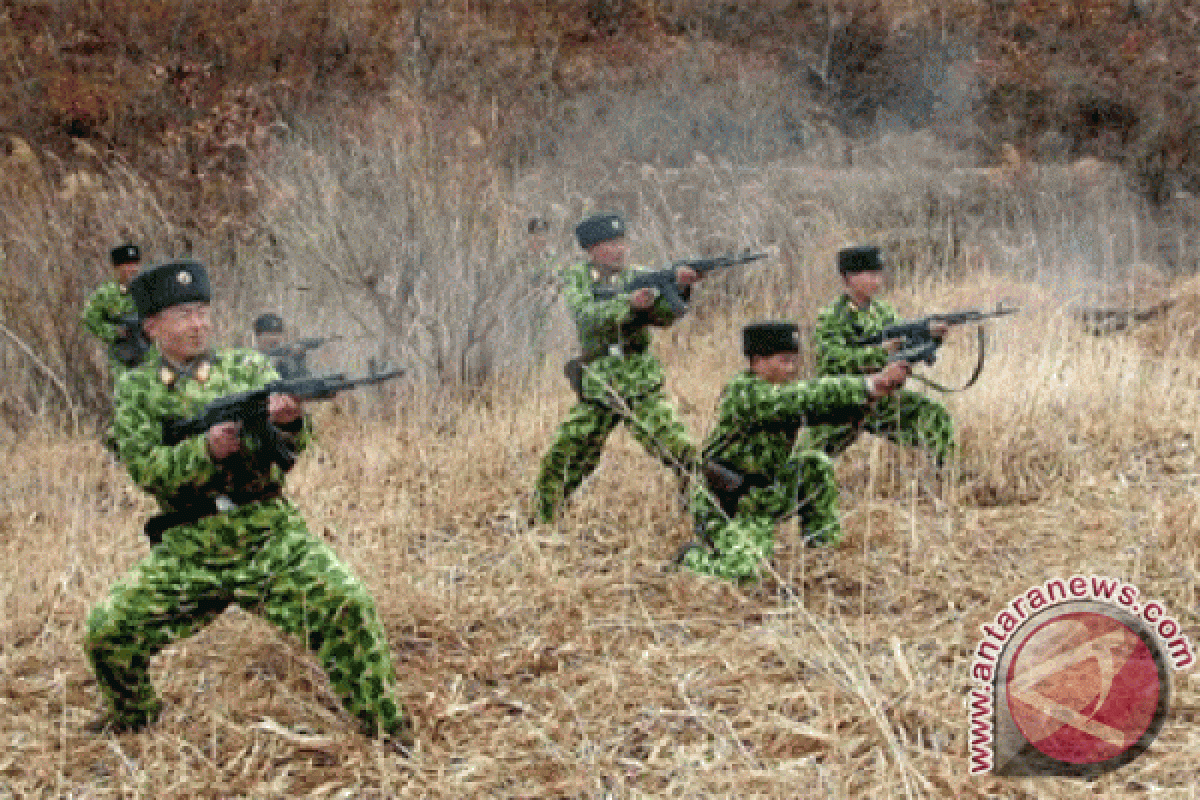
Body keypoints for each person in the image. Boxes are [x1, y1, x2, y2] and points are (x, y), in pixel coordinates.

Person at [84, 260, 411, 746]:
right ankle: (135, 717)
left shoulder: (249, 369)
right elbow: (146, 469)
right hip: (190, 545)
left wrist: (286, 425)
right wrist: (206, 451)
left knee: (348, 603)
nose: (198, 324)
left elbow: (288, 458)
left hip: (266, 533)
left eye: (202, 311)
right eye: (182, 315)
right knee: (106, 632)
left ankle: (387, 729)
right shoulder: (136, 390)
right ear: (152, 328)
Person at [679, 322, 911, 583]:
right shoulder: (744, 392)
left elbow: (823, 408)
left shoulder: (785, 392)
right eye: (784, 361)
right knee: (747, 574)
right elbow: (804, 397)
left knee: (815, 464)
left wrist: (876, 393)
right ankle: (690, 559)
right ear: (757, 361)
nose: (792, 368)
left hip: (766, 495)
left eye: (794, 361)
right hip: (727, 504)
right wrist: (867, 385)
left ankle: (822, 549)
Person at [532, 212, 701, 523]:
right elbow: (586, 316)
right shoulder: (577, 278)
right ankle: (542, 520)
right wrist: (628, 304)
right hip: (599, 385)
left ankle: (702, 511)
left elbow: (663, 318)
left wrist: (681, 289)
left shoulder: (638, 276)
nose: (619, 249)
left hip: (639, 382)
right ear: (592, 249)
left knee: (681, 450)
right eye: (610, 243)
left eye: (621, 241)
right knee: (565, 454)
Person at [806, 245, 955, 467]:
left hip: (882, 399)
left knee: (935, 418)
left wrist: (930, 338)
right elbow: (831, 360)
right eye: (871, 275)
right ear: (850, 278)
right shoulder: (832, 316)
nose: (877, 280)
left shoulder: (883, 311)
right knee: (810, 460)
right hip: (844, 400)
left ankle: (948, 476)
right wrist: (880, 353)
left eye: (879, 274)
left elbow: (904, 350)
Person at [81, 243, 149, 378]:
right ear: (117, 268)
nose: (133, 269)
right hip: (123, 359)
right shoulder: (106, 294)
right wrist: (114, 332)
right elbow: (89, 320)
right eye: (128, 265)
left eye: (136, 264)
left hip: (150, 356)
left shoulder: (149, 289)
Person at [253, 312, 321, 379]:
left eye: (278, 333)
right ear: (258, 336)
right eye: (270, 333)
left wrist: (299, 360)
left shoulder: (287, 358)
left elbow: (303, 381)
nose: (275, 338)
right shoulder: (251, 358)